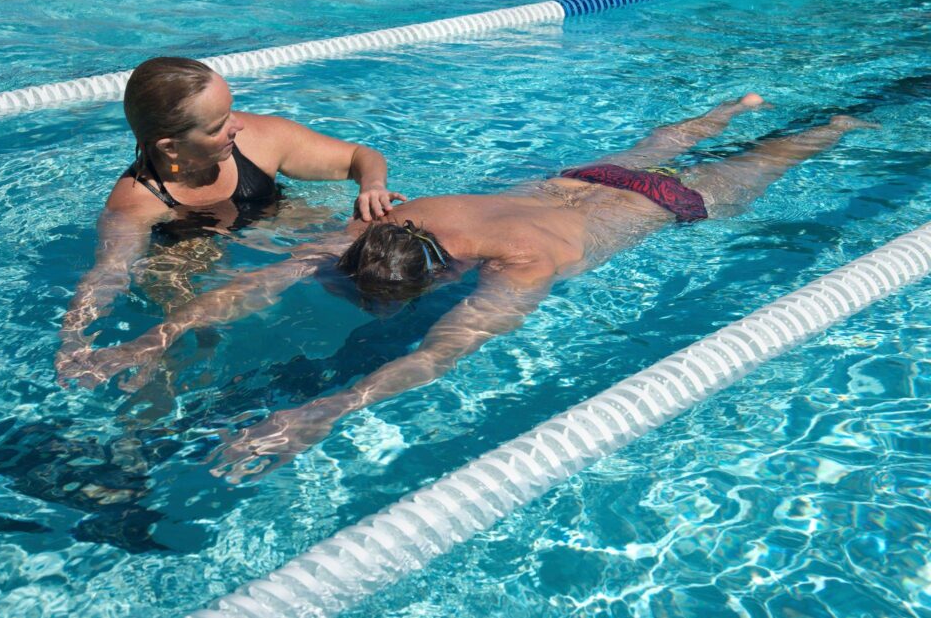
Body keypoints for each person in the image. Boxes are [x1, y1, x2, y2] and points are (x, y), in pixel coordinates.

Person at [59, 94, 875, 481]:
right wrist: (149, 337)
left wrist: (325, 408)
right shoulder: (405, 219)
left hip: (664, 204)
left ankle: (833, 126)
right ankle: (739, 106)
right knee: (668, 139)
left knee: (772, 160)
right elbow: (275, 275)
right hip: (586, 179)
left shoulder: (523, 265)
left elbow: (442, 352)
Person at [55, 56, 405, 387]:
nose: (236, 124)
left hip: (273, 220)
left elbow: (360, 156)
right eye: (218, 125)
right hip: (191, 245)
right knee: (180, 311)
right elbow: (108, 274)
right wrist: (73, 341)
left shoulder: (259, 139)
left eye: (230, 110)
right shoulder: (136, 202)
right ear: (170, 148)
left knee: (366, 241)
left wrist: (372, 186)